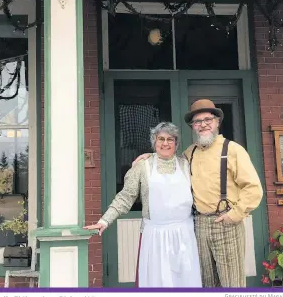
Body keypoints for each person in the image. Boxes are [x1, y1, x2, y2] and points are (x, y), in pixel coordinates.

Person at [133, 99, 263, 287]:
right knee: (205, 282)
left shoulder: (233, 150)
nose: (203, 125)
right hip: (199, 224)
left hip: (226, 223)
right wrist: (151, 156)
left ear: (217, 122)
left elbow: (253, 188)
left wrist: (234, 215)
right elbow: (168, 159)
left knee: (232, 283)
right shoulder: (189, 153)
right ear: (193, 127)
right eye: (197, 122)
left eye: (208, 119)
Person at [84, 122, 202, 288]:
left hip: (185, 234)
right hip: (154, 235)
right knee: (156, 281)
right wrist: (105, 220)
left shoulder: (187, 164)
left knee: (186, 281)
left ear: (176, 143)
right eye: (161, 139)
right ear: (154, 142)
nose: (165, 143)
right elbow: (125, 197)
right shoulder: (142, 166)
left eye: (170, 139)